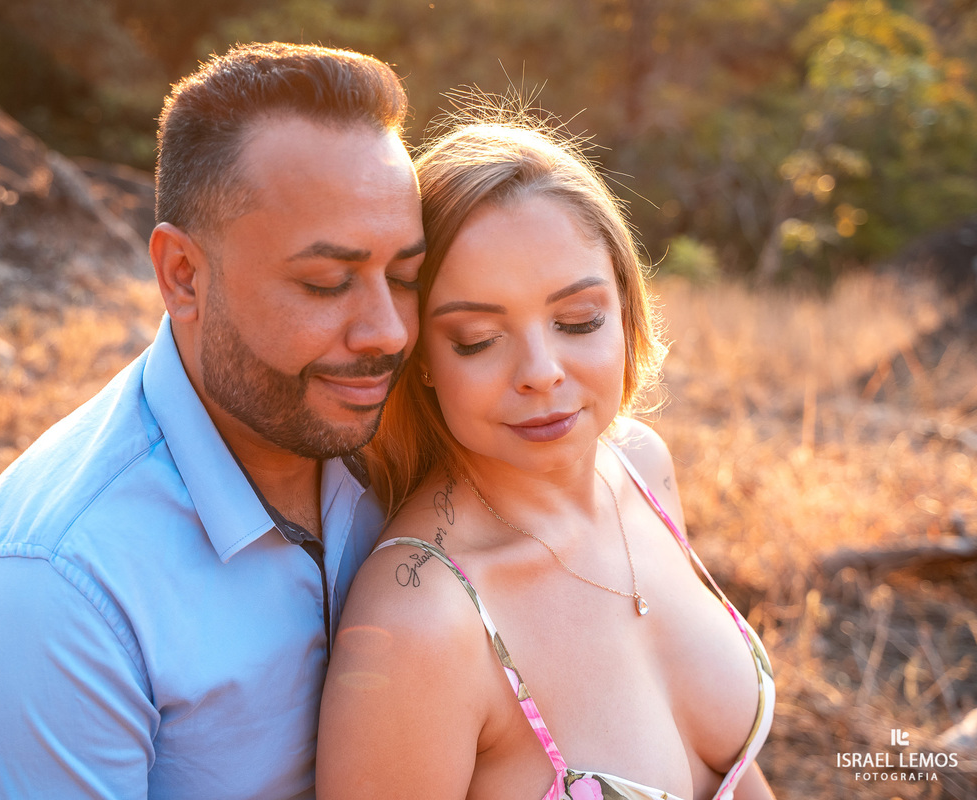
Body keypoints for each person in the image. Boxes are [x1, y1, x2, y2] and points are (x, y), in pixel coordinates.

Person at [0, 42, 425, 799]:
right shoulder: (48, 589)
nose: (388, 332)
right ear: (182, 276)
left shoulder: (406, 437)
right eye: (327, 283)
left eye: (406, 276)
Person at [318, 117, 777, 800]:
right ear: (421, 360)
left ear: (625, 306)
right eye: (476, 338)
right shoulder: (424, 623)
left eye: (578, 320)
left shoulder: (639, 468)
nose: (541, 372)